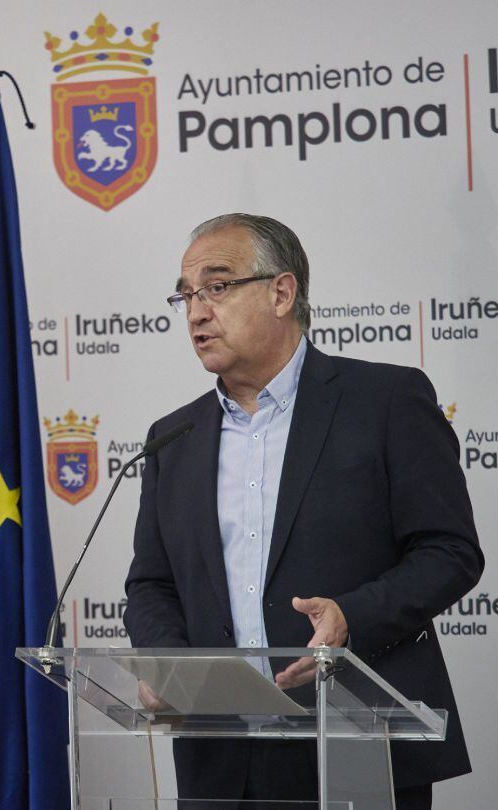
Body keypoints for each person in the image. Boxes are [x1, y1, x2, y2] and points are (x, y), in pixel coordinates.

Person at [122, 213, 483, 810]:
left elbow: (450, 552)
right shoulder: (173, 437)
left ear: (281, 292)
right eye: (185, 294)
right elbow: (152, 583)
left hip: (361, 741)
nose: (195, 311)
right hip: (222, 761)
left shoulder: (386, 401)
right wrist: (171, 667)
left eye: (216, 286)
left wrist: (351, 617)